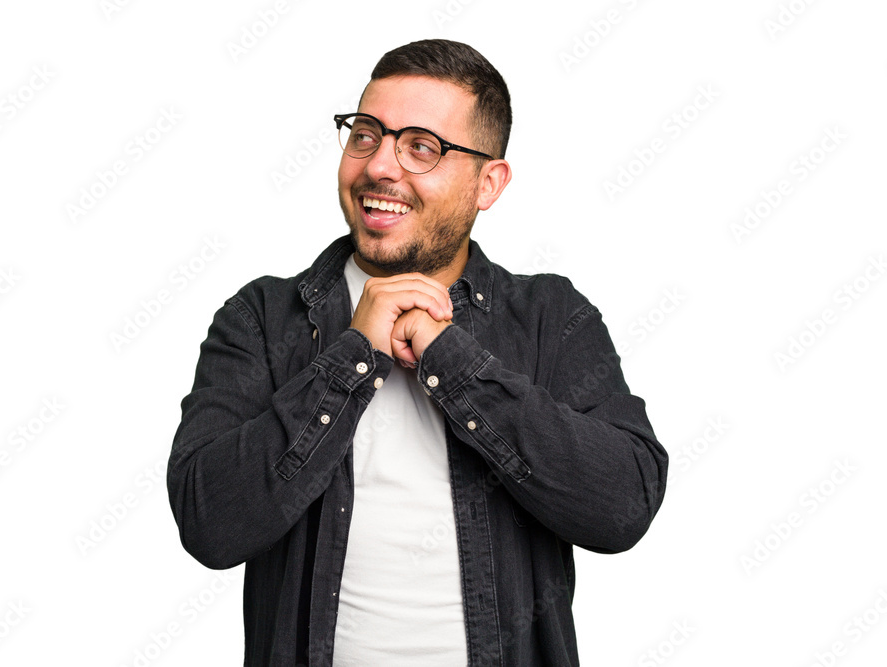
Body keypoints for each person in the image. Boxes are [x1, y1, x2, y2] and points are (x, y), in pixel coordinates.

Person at [167, 39, 668, 667]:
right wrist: (352, 357)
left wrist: (451, 362)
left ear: (489, 182)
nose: (381, 166)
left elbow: (622, 506)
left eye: (421, 147)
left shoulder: (550, 318)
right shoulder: (264, 318)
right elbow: (209, 522)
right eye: (367, 134)